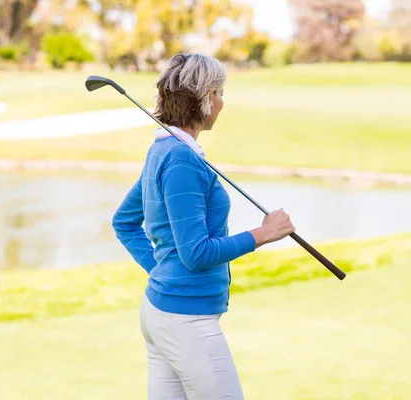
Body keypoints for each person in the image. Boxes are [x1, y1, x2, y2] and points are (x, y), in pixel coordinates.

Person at [111, 53, 295, 399]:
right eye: (220, 93)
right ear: (205, 98)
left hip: (164, 313)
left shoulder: (165, 150)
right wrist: (263, 233)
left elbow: (124, 223)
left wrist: (162, 270)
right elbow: (195, 253)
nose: (222, 102)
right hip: (185, 321)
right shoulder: (181, 159)